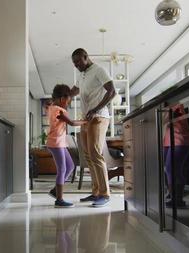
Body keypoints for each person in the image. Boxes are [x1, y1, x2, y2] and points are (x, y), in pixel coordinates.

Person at [70, 48, 116, 208]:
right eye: (74, 63)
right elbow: (75, 90)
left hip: (99, 116)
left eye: (78, 62)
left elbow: (112, 91)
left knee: (96, 154)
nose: (76, 65)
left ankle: (105, 194)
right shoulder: (82, 75)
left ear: (85, 57)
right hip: (86, 119)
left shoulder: (99, 70)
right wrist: (62, 97)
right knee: (88, 155)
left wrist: (95, 109)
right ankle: (96, 192)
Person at [46, 84, 87, 208]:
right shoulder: (58, 110)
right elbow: (73, 123)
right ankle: (59, 200)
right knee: (62, 169)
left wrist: (71, 94)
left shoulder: (52, 107)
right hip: (56, 143)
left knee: (70, 166)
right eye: (68, 101)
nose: (68, 104)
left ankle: (55, 191)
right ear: (62, 99)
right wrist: (86, 121)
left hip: (59, 143)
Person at [162, 103, 189, 207]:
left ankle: (177, 199)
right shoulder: (168, 108)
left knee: (172, 169)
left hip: (179, 139)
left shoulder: (176, 106)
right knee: (167, 169)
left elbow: (165, 121)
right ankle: (173, 196)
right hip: (168, 140)